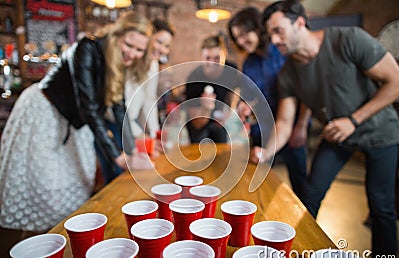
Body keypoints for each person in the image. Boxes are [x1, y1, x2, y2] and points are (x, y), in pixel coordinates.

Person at [261, 1, 399, 258]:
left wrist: (353, 120)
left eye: (278, 31)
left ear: (299, 22)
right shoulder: (288, 73)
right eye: (270, 35)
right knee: (310, 195)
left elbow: (396, 82)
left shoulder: (347, 39)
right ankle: (295, 257)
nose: (274, 40)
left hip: (381, 132)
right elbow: (285, 121)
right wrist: (264, 152)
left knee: (381, 206)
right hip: (338, 135)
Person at [0, 11, 153, 234]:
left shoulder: (118, 63)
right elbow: (89, 108)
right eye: (129, 44)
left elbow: (119, 109)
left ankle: (60, 239)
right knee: (43, 186)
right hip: (45, 111)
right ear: (116, 35)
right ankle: (33, 243)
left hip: (74, 122)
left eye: (139, 50)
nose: (132, 53)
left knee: (76, 184)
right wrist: (120, 158)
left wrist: (132, 151)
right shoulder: (87, 48)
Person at [228, 7, 309, 198]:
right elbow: (249, 96)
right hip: (262, 131)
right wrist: (244, 106)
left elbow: (305, 91)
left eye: (244, 34)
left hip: (291, 127)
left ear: (257, 28)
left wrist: (302, 125)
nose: (241, 41)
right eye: (236, 38)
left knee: (300, 184)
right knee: (258, 181)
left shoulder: (282, 51)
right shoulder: (249, 62)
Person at [98, 19, 175, 183]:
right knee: (116, 173)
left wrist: (154, 135)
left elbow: (149, 101)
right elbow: (118, 106)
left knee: (135, 173)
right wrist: (139, 133)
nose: (162, 49)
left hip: (129, 124)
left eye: (166, 46)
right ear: (147, 37)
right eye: (159, 42)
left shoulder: (152, 64)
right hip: (112, 124)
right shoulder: (128, 60)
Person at [185, 35, 240, 143]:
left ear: (225, 55)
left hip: (220, 121)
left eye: (216, 58)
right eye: (207, 58)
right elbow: (197, 124)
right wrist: (206, 108)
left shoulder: (231, 70)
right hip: (200, 122)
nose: (211, 63)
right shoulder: (194, 79)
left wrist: (228, 112)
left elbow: (234, 92)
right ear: (201, 57)